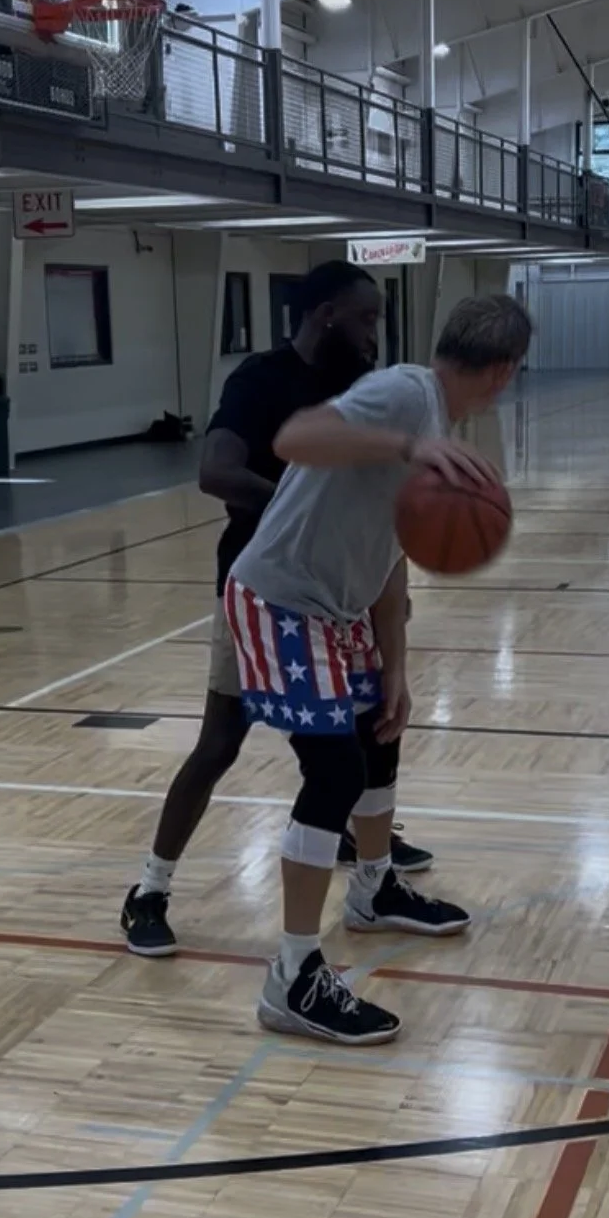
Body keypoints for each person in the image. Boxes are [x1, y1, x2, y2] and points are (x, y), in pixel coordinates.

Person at [227, 293, 533, 1045]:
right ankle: (293, 977)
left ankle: (372, 890)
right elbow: (295, 437)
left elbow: (392, 555)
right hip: (280, 597)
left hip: (341, 607)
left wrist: (395, 669)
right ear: (504, 371)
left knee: (380, 735)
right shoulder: (406, 394)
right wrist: (406, 448)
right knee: (333, 773)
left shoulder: (435, 423)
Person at [121, 261, 434, 958]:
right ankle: (149, 890)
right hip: (260, 596)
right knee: (219, 745)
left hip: (339, 598)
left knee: (366, 736)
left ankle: (368, 863)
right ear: (327, 314)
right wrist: (301, 510)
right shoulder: (261, 381)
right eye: (366, 317)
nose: (374, 333)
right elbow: (215, 471)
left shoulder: (361, 393)